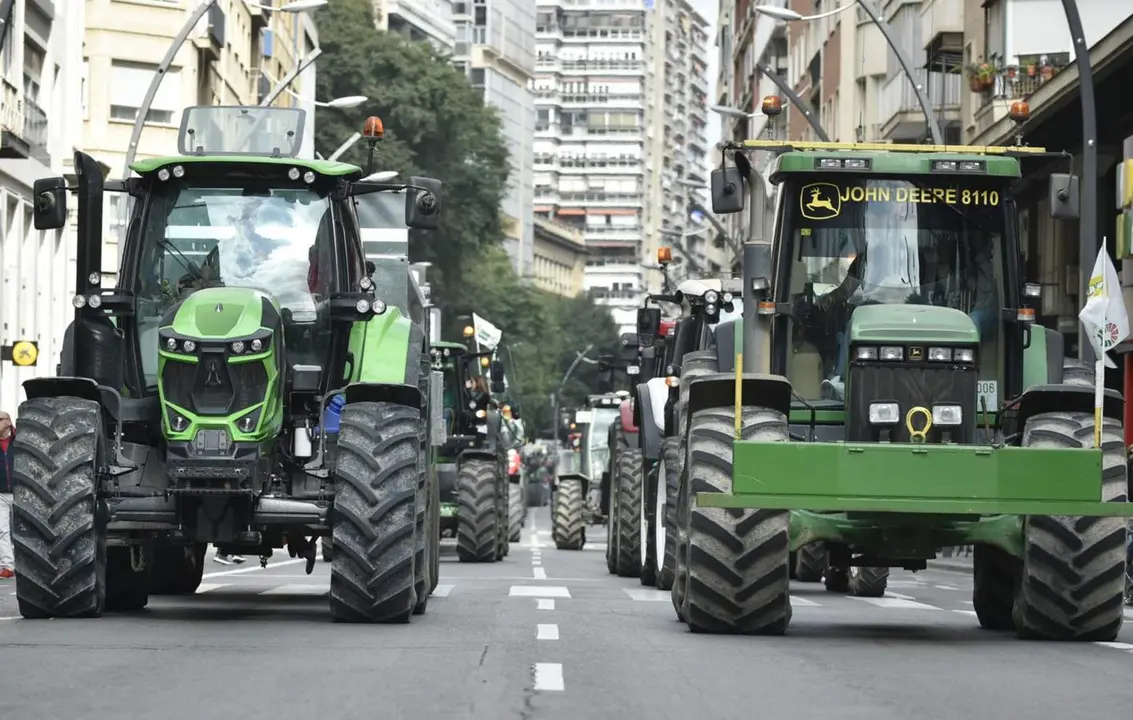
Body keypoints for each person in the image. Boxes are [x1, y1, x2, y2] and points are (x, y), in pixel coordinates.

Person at [0, 411, 14, 579]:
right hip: (1, 494)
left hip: (20, 493)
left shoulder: (18, 441)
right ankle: (8, 566)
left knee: (24, 530)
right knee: (2, 530)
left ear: (8, 422)